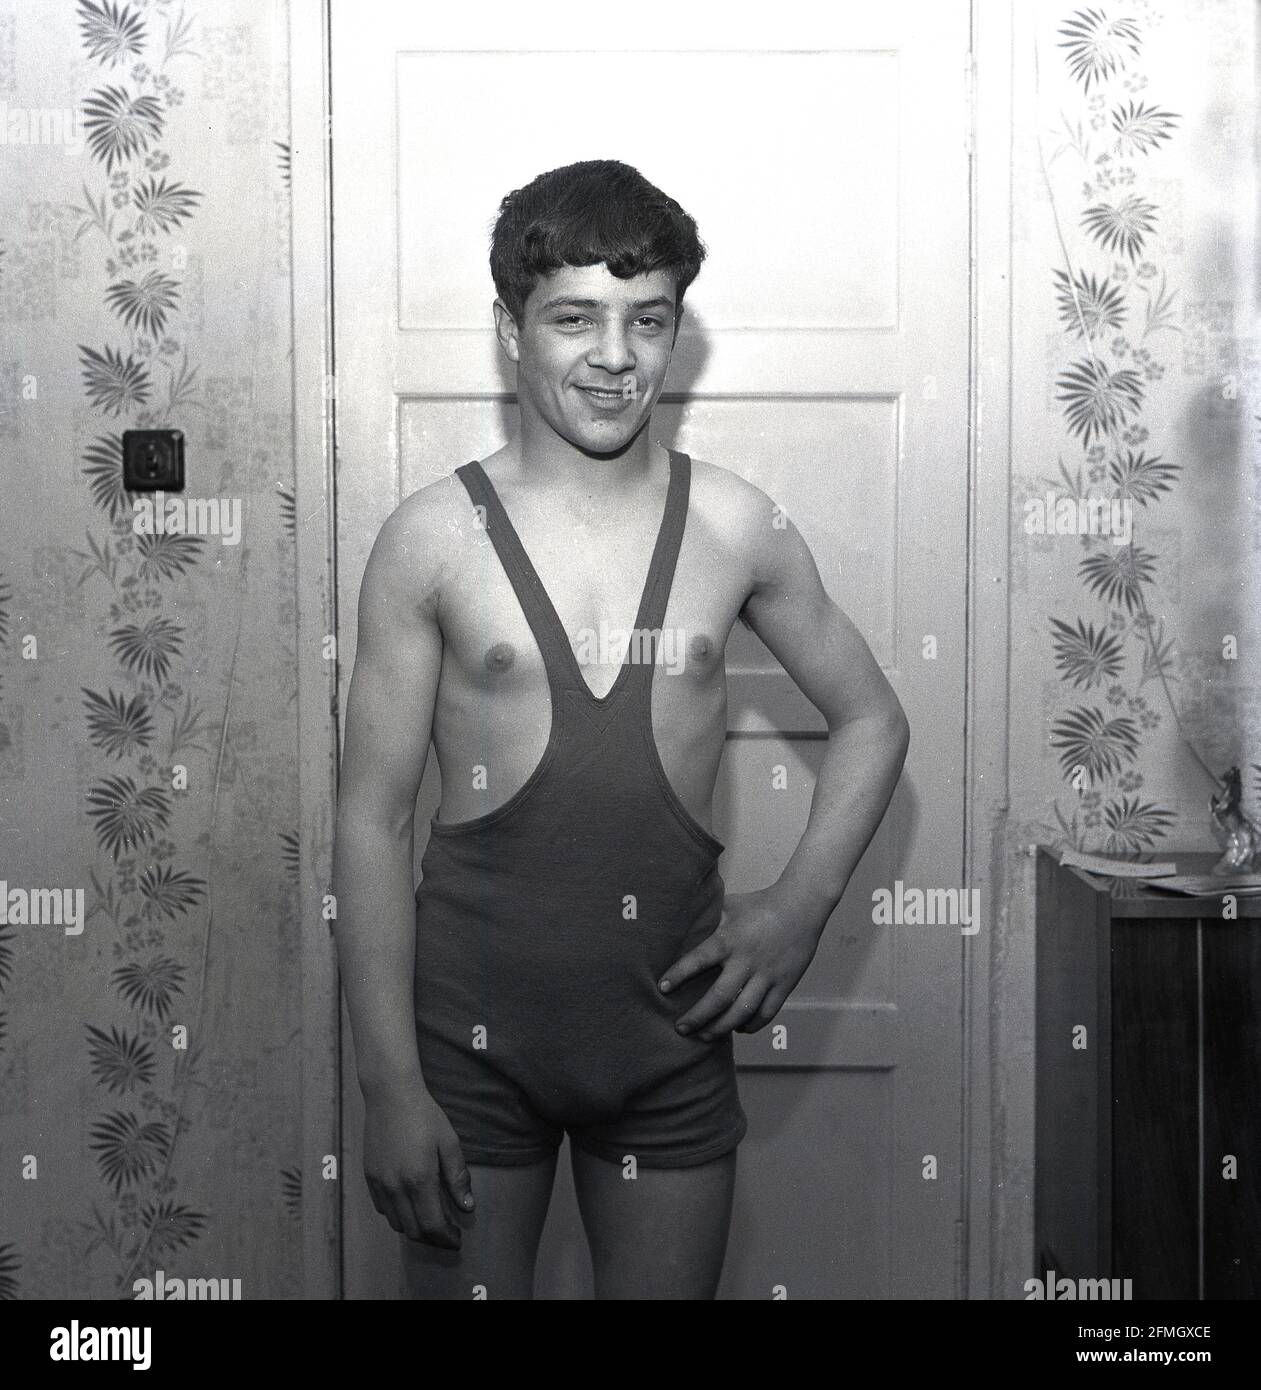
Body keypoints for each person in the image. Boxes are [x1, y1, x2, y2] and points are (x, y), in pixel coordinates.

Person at [332, 160, 909, 1300]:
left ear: (677, 332)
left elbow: (872, 718)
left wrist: (797, 909)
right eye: (573, 319)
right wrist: (389, 1085)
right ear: (510, 332)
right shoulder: (432, 538)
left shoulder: (739, 526)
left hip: (665, 1035)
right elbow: (370, 814)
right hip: (467, 1047)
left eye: (647, 321)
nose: (613, 355)